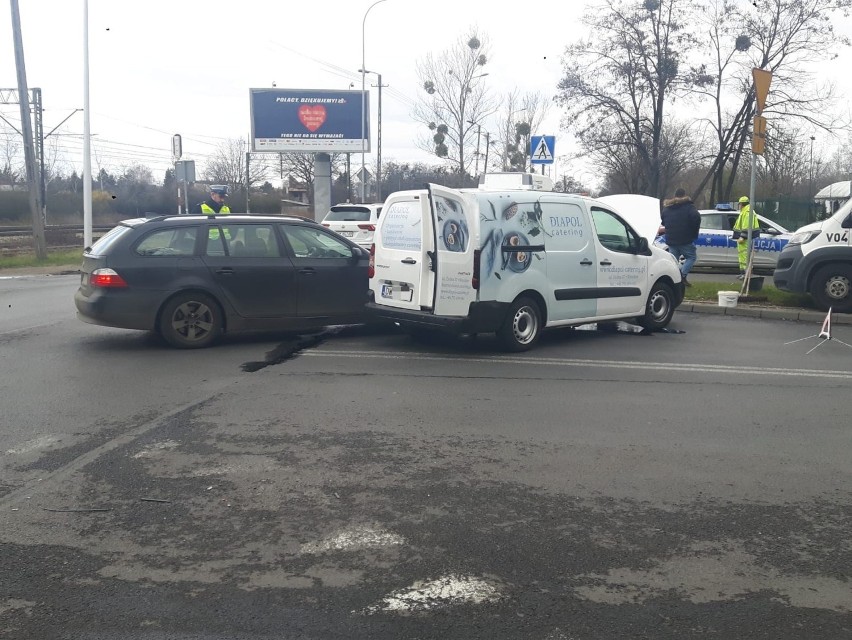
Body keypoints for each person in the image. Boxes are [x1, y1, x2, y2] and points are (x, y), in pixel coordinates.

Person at [658, 187, 701, 287]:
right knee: (691, 257)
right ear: (684, 195)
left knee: (674, 260)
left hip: (671, 239)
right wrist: (693, 232)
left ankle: (673, 279)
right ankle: (682, 275)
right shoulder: (689, 207)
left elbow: (663, 221)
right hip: (685, 238)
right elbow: (696, 218)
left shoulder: (667, 208)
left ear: (674, 196)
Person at [733, 195, 758, 278]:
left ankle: (746, 274)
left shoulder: (747, 212)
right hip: (744, 238)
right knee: (742, 256)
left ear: (742, 204)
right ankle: (743, 273)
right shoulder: (746, 211)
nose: (739, 206)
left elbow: (746, 226)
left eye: (739, 204)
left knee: (745, 257)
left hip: (745, 239)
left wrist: (742, 237)